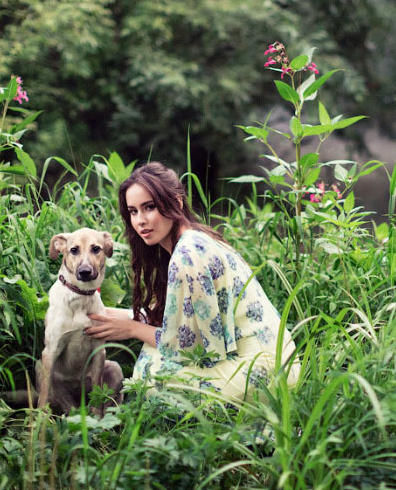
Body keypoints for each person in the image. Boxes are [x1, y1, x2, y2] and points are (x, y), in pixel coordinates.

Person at [84, 162, 299, 401]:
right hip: (279, 360)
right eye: (133, 211)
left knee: (151, 376)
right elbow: (186, 319)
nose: (140, 220)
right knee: (153, 356)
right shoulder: (196, 239)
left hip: (263, 371)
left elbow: (196, 350)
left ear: (176, 202)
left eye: (149, 207)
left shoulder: (187, 254)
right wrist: (130, 317)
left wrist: (133, 329)